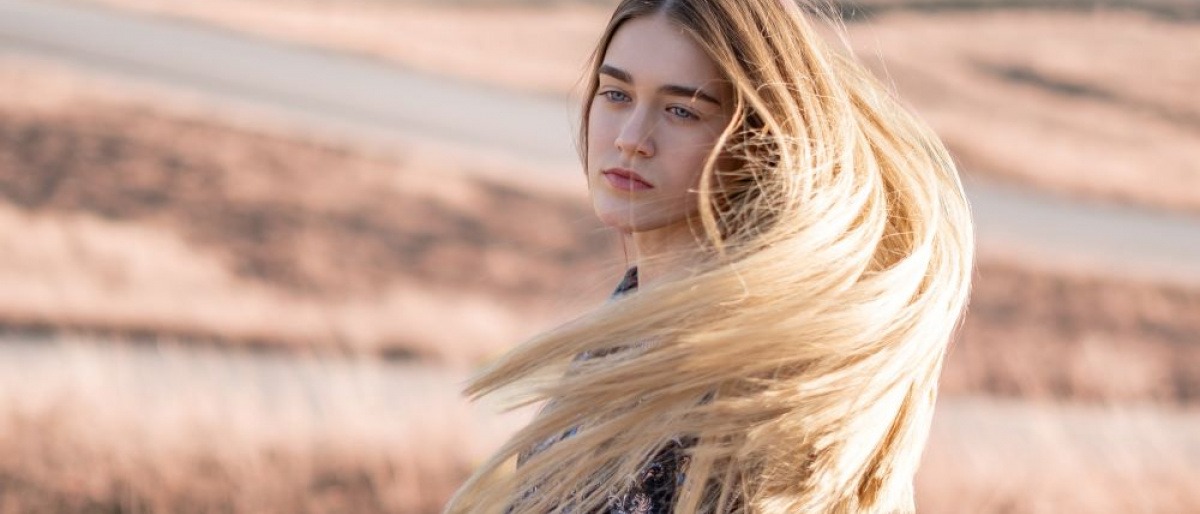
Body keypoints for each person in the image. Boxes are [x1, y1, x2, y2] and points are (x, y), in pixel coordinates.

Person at [446, 0, 973, 512]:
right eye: (616, 93)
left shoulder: (746, 388)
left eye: (681, 110)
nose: (632, 139)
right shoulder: (618, 339)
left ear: (758, 138)